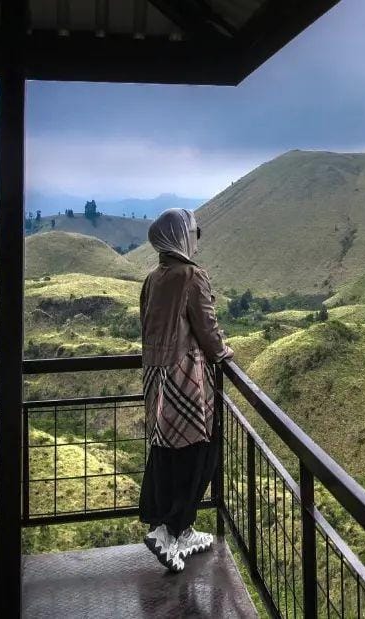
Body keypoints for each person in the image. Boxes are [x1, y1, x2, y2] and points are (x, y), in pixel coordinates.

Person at [138, 208, 233, 573]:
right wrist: (222, 353)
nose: (196, 237)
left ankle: (180, 529)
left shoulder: (152, 278)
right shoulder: (192, 277)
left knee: (167, 450)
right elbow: (207, 329)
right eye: (194, 231)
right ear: (182, 237)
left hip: (156, 378)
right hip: (186, 378)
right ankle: (169, 530)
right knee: (200, 451)